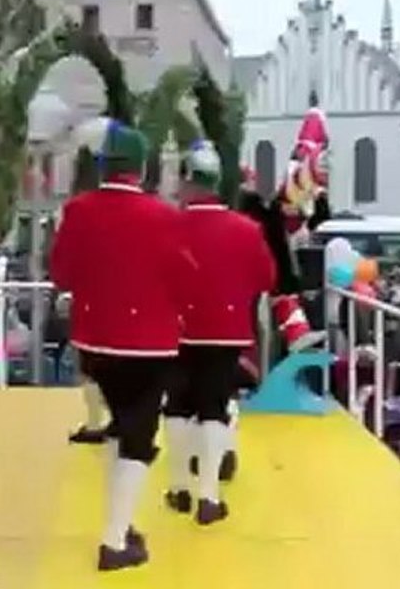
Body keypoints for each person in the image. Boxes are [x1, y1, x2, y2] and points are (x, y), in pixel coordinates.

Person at [50, 117, 196, 571]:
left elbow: (62, 274)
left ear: (103, 166)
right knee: (138, 440)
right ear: (141, 168)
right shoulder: (164, 217)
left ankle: (123, 520)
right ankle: (115, 540)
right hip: (147, 344)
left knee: (119, 428)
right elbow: (185, 276)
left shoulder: (78, 210)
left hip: (94, 340)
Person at [162, 142, 277, 525]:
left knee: (177, 404)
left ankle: (179, 487)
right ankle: (208, 496)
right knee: (214, 407)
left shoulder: (168, 224)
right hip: (225, 330)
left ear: (189, 181)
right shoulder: (247, 229)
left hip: (176, 328)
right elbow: (267, 278)